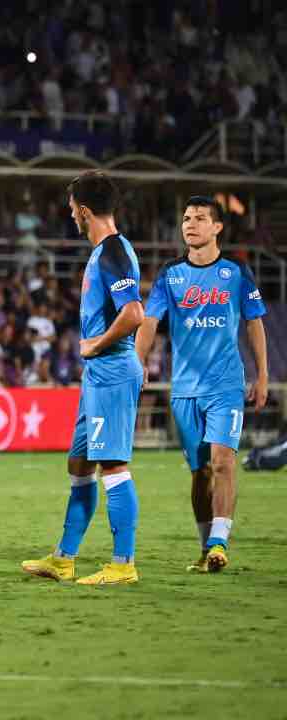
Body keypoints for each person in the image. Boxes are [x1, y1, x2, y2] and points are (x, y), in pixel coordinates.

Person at [22, 171, 144, 586]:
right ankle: (64, 558)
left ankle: (123, 563)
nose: (70, 215)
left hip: (111, 368)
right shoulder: (101, 254)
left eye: (72, 208)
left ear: (85, 210)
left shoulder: (113, 252)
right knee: (79, 462)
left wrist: (95, 344)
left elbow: (134, 314)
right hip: (98, 375)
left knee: (113, 465)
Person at [135, 196, 269, 573]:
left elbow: (254, 322)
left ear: (217, 228)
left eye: (199, 218)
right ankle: (204, 545)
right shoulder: (170, 275)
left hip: (226, 385)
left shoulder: (237, 272)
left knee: (223, 461)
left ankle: (219, 542)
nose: (190, 224)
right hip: (184, 390)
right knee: (200, 473)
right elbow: (149, 321)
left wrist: (261, 375)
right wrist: (138, 359)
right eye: (186, 218)